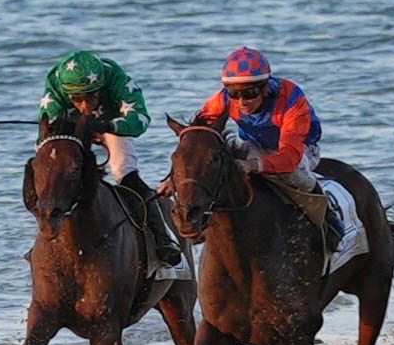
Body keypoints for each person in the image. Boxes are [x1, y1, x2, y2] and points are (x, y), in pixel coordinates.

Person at [39, 50, 181, 267]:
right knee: (48, 169)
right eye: (77, 99)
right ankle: (43, 237)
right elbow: (47, 130)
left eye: (91, 97)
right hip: (72, 129)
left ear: (101, 87)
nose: (85, 106)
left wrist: (107, 126)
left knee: (123, 171)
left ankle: (163, 240)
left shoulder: (117, 79)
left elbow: (140, 121)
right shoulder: (56, 82)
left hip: (113, 124)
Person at [190, 46, 335, 246]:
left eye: (249, 93)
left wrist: (252, 166)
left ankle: (327, 214)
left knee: (291, 172)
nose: (241, 102)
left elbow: (289, 157)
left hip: (300, 149)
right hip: (255, 145)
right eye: (234, 93)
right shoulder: (223, 99)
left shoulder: (291, 99)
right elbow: (198, 136)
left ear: (265, 87)